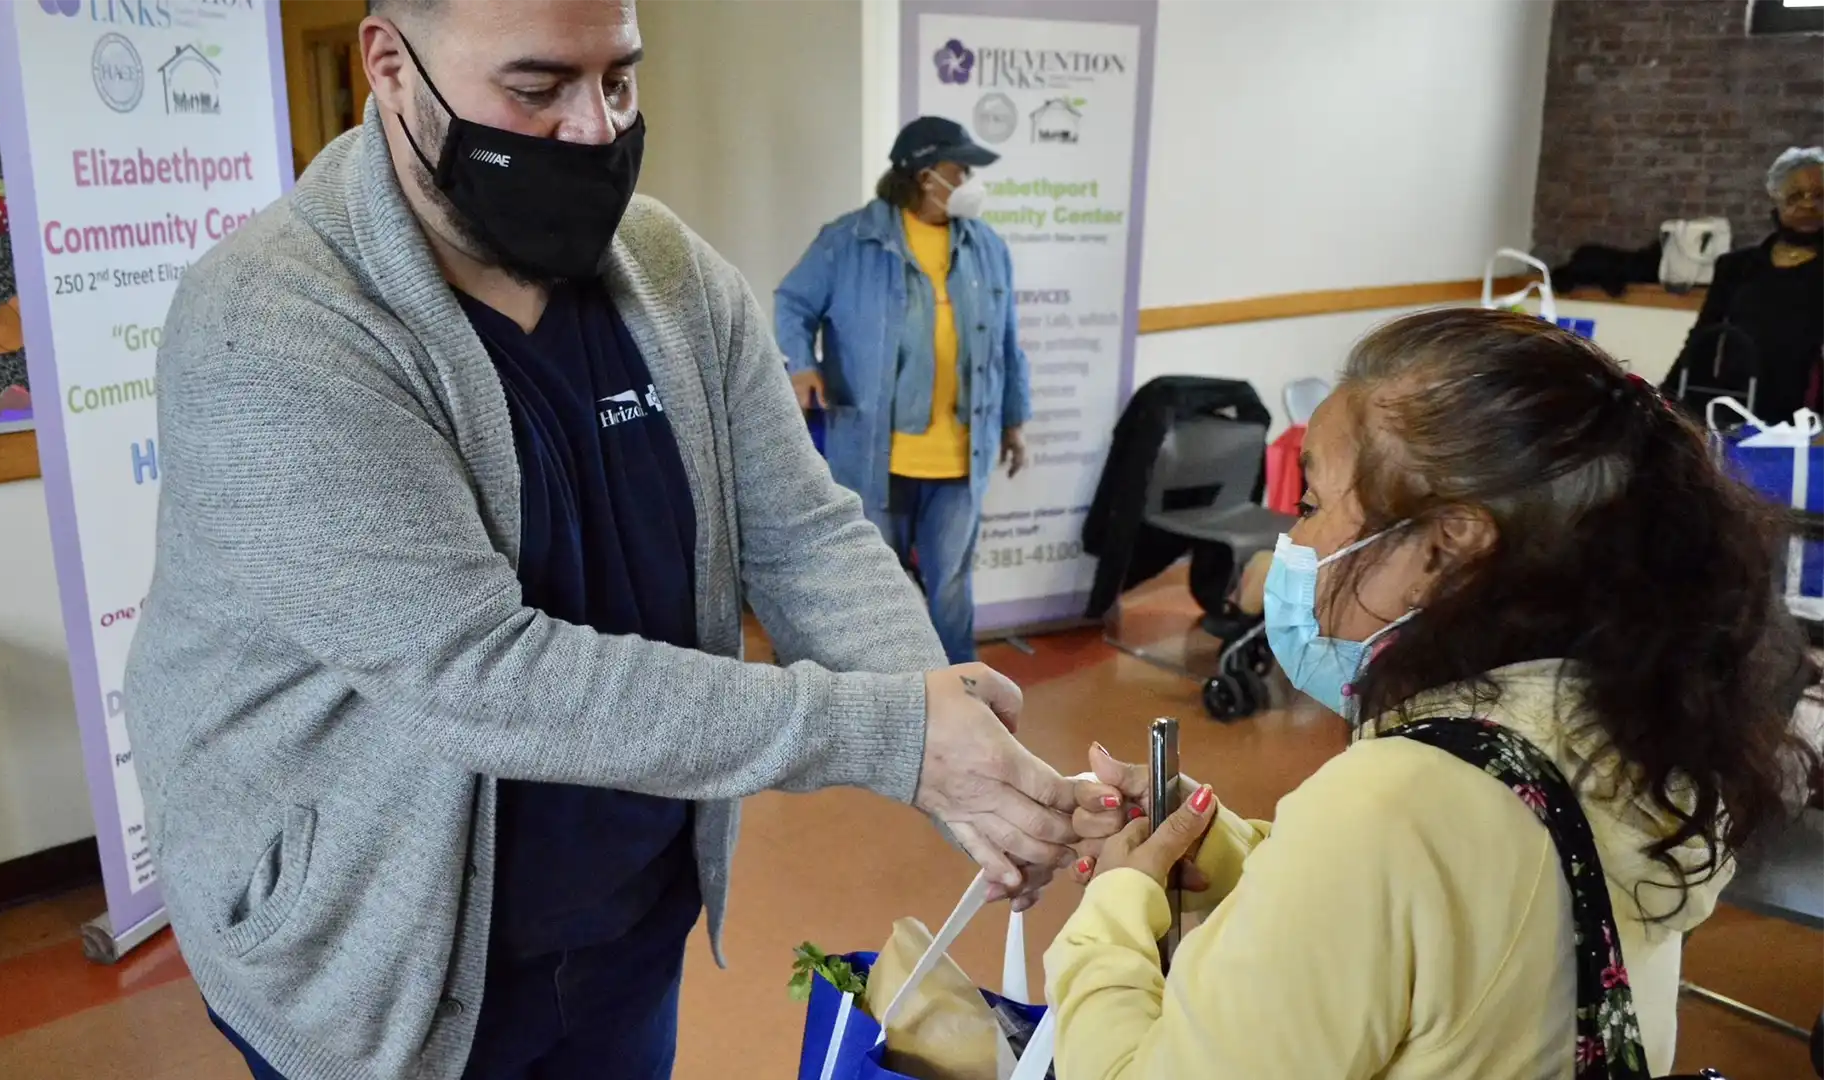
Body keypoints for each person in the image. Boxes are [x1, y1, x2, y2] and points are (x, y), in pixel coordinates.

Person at [124, 4, 1081, 1079]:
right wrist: (894, 735)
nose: (594, 130)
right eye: (537, 92)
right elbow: (476, 673)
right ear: (390, 66)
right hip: (379, 955)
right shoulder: (273, 322)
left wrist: (966, 758)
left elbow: (804, 532)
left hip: (626, 913)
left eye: (619, 81)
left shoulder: (665, 272)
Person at [1049, 309, 1817, 1078]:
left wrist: (1116, 910)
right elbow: (1428, 935)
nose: (1295, 545)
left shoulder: (1394, 803)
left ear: (1447, 547)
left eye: (1311, 505)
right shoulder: (1629, 734)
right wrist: (1211, 851)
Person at [774, 117, 1031, 664]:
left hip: (961, 456)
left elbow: (1007, 344)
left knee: (952, 589)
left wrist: (1014, 422)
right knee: (876, 592)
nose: (968, 181)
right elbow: (793, 303)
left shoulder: (987, 248)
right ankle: (882, 694)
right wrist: (801, 366)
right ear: (923, 176)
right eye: (958, 170)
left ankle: (961, 695)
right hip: (874, 455)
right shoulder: (848, 241)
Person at [1664, 146, 1824, 423]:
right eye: (1796, 196)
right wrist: (1667, 400)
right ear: (1776, 199)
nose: (1809, 205)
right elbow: (1703, 338)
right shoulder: (1736, 267)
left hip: (1804, 420)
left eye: (1821, 196)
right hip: (1732, 408)